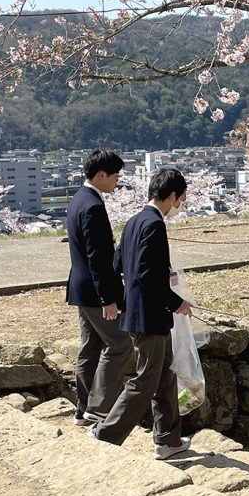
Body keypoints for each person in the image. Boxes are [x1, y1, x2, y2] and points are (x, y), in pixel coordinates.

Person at [91, 168, 194, 460]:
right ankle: (105, 434)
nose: (180, 205)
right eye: (181, 199)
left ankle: (168, 438)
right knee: (146, 380)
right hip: (149, 315)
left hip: (137, 311)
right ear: (171, 195)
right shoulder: (154, 225)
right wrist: (176, 303)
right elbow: (151, 277)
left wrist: (121, 300)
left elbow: (116, 266)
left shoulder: (134, 221)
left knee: (164, 375)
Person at [65, 149, 132, 428]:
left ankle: (83, 408)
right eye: (115, 175)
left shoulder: (79, 199)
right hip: (95, 291)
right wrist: (108, 297)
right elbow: (98, 257)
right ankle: (98, 406)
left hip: (81, 287)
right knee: (120, 344)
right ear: (101, 174)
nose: (117, 180)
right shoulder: (92, 206)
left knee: (91, 346)